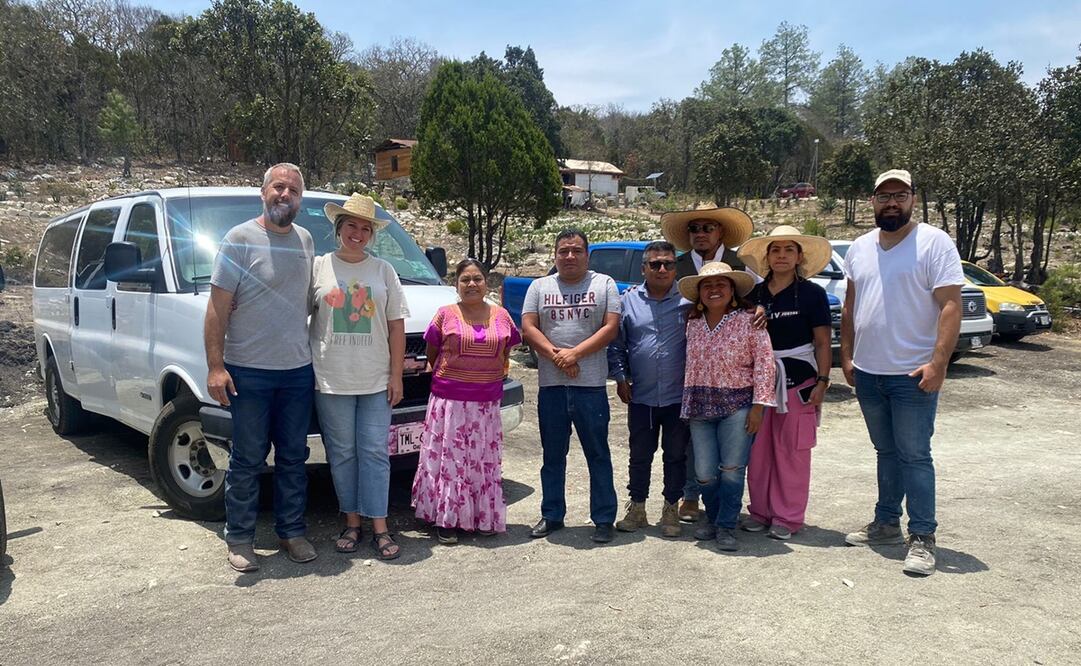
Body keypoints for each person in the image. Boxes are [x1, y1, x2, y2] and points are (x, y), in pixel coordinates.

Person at [841, 169, 963, 576]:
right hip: (869, 372)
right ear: (871, 201)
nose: (892, 202)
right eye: (883, 196)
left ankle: (923, 537)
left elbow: (950, 305)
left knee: (914, 455)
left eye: (900, 195)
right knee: (886, 452)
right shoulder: (859, 247)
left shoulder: (934, 242)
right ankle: (886, 523)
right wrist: (848, 356)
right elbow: (850, 307)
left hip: (913, 374)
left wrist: (939, 363)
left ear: (913, 198)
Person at [205, 162, 317, 573]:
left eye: (292, 190)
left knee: (293, 457)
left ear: (300, 200)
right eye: (278, 187)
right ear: (263, 192)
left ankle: (292, 532)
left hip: (297, 371)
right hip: (248, 371)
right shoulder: (239, 240)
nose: (284, 195)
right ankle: (240, 539)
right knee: (248, 459)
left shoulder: (306, 241)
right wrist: (216, 367)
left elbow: (308, 300)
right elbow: (217, 309)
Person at [309, 193, 408, 560]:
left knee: (375, 454)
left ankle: (379, 526)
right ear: (339, 228)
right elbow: (297, 312)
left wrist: (395, 375)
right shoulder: (319, 267)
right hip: (331, 379)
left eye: (366, 228)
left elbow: (396, 327)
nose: (358, 233)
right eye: (352, 225)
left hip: (375, 379)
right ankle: (352, 522)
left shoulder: (383, 271)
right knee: (342, 455)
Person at [521, 229, 622, 543]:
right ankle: (552, 515)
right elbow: (528, 327)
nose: (569, 256)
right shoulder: (539, 286)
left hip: (590, 387)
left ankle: (604, 518)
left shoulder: (603, 284)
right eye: (563, 251)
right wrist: (558, 356)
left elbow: (611, 327)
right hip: (551, 386)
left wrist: (576, 353)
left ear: (587, 255)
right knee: (552, 456)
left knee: (598, 454)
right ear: (555, 255)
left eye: (576, 251)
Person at [411, 259, 521, 545]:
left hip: (485, 403)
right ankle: (447, 519)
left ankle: (481, 517)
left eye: (477, 279)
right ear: (456, 284)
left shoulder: (502, 316)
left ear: (486, 283)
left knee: (481, 460)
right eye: (465, 280)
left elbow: (506, 353)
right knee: (451, 460)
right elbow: (433, 353)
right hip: (450, 402)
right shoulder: (444, 314)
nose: (471, 284)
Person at [737, 225, 833, 541]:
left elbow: (821, 342)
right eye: (775, 250)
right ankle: (761, 512)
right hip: (759, 383)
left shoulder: (813, 295)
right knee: (759, 451)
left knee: (792, 450)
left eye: (788, 250)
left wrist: (822, 380)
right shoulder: (754, 295)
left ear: (799, 256)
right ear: (766, 257)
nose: (781, 256)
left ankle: (788, 517)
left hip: (799, 381)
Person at [661, 204, 754, 523]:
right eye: (694, 228)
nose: (700, 234)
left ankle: (727, 508)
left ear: (721, 232)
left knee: (730, 441)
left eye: (707, 227)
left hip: (730, 366)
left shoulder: (741, 263)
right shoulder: (678, 263)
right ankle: (690, 496)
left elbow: (756, 302)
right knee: (691, 435)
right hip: (685, 359)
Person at [678, 262, 775, 552]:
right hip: (700, 405)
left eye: (721, 284)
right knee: (704, 471)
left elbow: (765, 364)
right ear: (699, 294)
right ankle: (715, 514)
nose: (714, 289)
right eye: (707, 285)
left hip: (738, 404)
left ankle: (725, 525)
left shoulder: (749, 321)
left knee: (732, 469)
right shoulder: (692, 324)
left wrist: (759, 406)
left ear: (732, 290)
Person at [606, 241, 690, 538]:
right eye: (655, 264)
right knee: (640, 454)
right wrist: (620, 377)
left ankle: (670, 508)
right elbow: (617, 344)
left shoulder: (690, 301)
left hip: (679, 396)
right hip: (640, 394)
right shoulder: (626, 300)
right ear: (644, 268)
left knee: (676, 455)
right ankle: (637, 507)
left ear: (675, 267)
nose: (662, 269)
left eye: (668, 263)